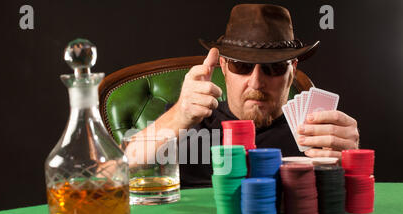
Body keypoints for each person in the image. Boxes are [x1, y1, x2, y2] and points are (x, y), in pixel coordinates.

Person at [135, 4, 359, 188]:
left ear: (292, 71)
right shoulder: (190, 120)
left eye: (274, 67)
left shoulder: (318, 133)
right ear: (223, 66)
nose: (256, 82)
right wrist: (177, 117)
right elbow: (120, 168)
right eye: (242, 66)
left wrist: (351, 164)